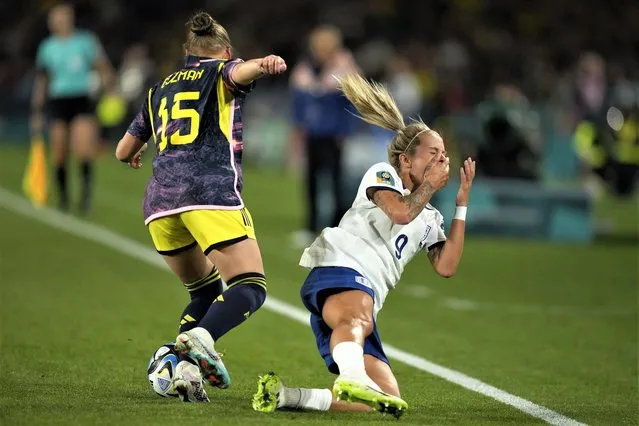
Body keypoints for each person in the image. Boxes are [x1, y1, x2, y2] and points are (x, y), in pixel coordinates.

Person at [252, 74, 475, 417]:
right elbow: (400, 214)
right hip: (342, 266)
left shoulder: (431, 218)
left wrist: (461, 204)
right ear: (406, 160)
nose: (442, 161)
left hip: (366, 294)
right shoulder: (383, 175)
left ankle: (286, 396)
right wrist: (428, 187)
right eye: (433, 152)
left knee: (385, 398)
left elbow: (446, 266)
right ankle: (353, 375)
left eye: (444, 154)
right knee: (358, 320)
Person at [115, 11, 287, 403]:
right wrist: (264, 64)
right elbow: (240, 74)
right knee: (250, 286)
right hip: (208, 193)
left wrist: (141, 148)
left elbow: (123, 150)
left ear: (186, 53)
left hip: (160, 203)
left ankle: (182, 370)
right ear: (225, 51)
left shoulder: (157, 89)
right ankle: (201, 340)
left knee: (205, 294)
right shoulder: (222, 70)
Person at [31, 3, 114, 213]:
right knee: (59, 152)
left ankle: (85, 198)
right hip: (58, 101)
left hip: (81, 99)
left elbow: (102, 67)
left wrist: (109, 92)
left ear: (69, 18)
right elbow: (42, 81)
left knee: (83, 150)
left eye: (60, 16)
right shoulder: (47, 47)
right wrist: (37, 111)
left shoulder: (85, 41)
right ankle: (63, 197)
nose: (55, 21)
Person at [289, 25, 359, 247]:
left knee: (336, 182)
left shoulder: (345, 69)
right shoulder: (307, 68)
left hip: (333, 135)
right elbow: (300, 102)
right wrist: (299, 128)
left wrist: (345, 130)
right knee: (311, 181)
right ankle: (310, 227)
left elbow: (352, 103)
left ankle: (338, 227)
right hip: (313, 133)